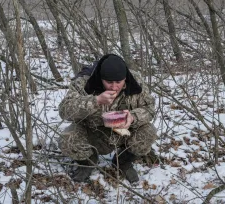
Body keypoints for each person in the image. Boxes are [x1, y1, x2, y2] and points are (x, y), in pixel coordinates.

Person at [58, 54, 157, 183]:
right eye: (109, 82)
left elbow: (149, 108)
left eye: (118, 82)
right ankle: (88, 162)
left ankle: (122, 162)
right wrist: (96, 101)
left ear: (125, 78)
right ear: (101, 78)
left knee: (149, 132)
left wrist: (133, 117)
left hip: (124, 133)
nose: (114, 87)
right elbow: (64, 111)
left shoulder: (135, 81)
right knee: (67, 139)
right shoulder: (84, 82)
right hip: (92, 132)